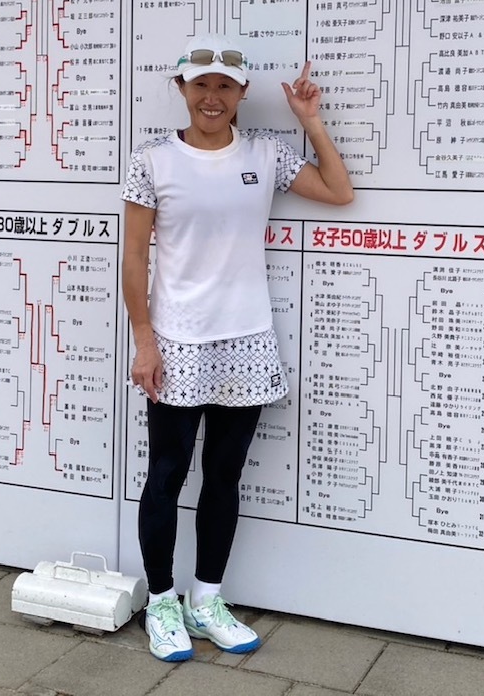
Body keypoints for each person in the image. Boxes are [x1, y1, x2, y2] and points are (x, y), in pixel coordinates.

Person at [121, 33, 354, 662]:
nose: (213, 97)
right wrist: (144, 342)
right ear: (181, 89)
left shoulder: (265, 152)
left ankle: (206, 600)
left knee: (224, 477)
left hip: (248, 339)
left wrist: (309, 120)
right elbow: (135, 258)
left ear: (242, 92)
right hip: (177, 340)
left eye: (225, 85)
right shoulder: (153, 161)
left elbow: (339, 192)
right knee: (166, 476)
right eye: (201, 84)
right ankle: (162, 602)